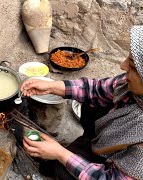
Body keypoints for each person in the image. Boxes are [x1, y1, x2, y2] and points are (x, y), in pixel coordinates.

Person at [21, 25, 143, 179]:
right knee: (92, 103)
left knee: (61, 172)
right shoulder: (132, 86)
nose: (122, 66)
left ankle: (88, 155)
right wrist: (52, 86)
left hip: (111, 171)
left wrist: (59, 153)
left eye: (132, 66)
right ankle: (90, 144)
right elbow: (96, 89)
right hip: (107, 140)